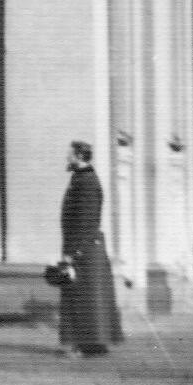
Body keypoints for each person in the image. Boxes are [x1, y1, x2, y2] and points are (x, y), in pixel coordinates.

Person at [59, 140, 124, 357]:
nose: (67, 157)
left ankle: (86, 346)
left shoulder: (86, 181)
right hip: (84, 247)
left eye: (70, 154)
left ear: (79, 156)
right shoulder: (81, 178)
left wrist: (72, 254)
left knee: (83, 298)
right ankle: (93, 345)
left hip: (84, 249)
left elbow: (85, 221)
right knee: (87, 298)